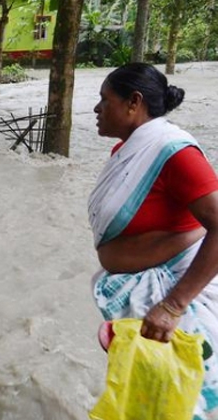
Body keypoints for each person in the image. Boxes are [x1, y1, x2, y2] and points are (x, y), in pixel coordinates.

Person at [89, 62, 218, 418]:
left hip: (177, 304)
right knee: (147, 397)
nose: (98, 109)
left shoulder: (175, 154)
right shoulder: (126, 151)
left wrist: (173, 306)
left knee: (178, 401)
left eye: (105, 100)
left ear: (134, 102)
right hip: (143, 301)